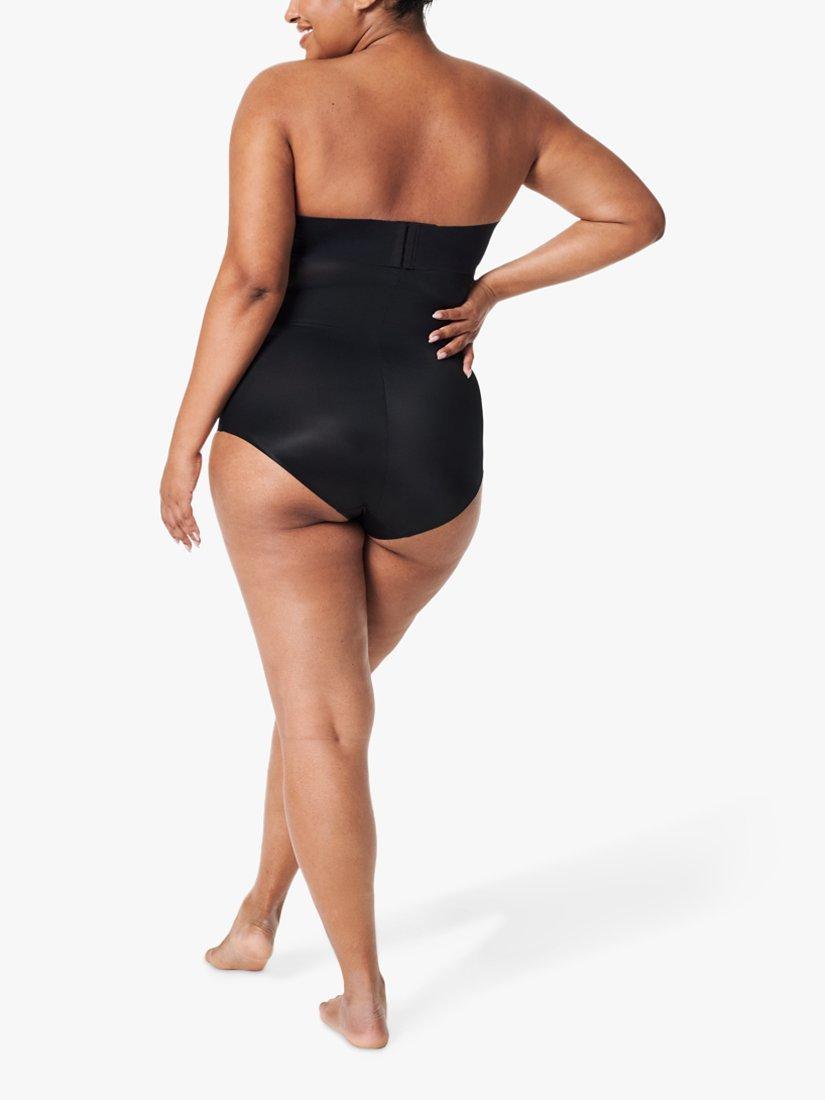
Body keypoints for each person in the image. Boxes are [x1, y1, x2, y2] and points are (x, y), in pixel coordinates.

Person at [160, 0, 664, 1049]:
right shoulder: (505, 107)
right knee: (325, 703)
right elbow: (632, 214)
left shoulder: (284, 97)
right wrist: (490, 290)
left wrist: (185, 440)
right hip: (435, 449)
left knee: (320, 717)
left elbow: (252, 280)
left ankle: (361, 995)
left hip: (288, 433)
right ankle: (258, 917)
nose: (290, 9)